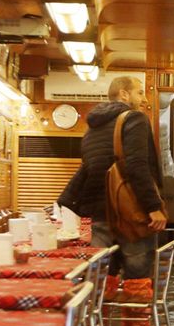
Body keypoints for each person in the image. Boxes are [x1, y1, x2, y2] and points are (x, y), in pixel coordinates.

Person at [59, 75, 166, 301]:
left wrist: (64, 203)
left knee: (102, 274)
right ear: (124, 94)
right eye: (139, 92)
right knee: (137, 276)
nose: (144, 98)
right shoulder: (134, 118)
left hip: (100, 214)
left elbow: (87, 169)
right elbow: (137, 166)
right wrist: (153, 206)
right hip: (130, 212)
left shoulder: (91, 129)